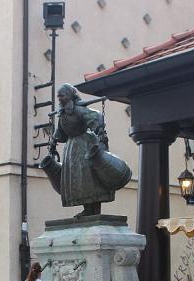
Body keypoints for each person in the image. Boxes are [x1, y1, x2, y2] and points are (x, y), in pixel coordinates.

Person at [38, 83, 131, 218]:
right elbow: (61, 133)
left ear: (70, 95)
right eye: (58, 96)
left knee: (89, 178)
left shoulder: (78, 110)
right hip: (71, 149)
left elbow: (96, 117)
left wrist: (99, 130)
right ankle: (87, 208)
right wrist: (54, 140)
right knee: (78, 180)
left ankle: (93, 209)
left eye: (62, 95)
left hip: (84, 145)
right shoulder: (62, 113)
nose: (59, 98)